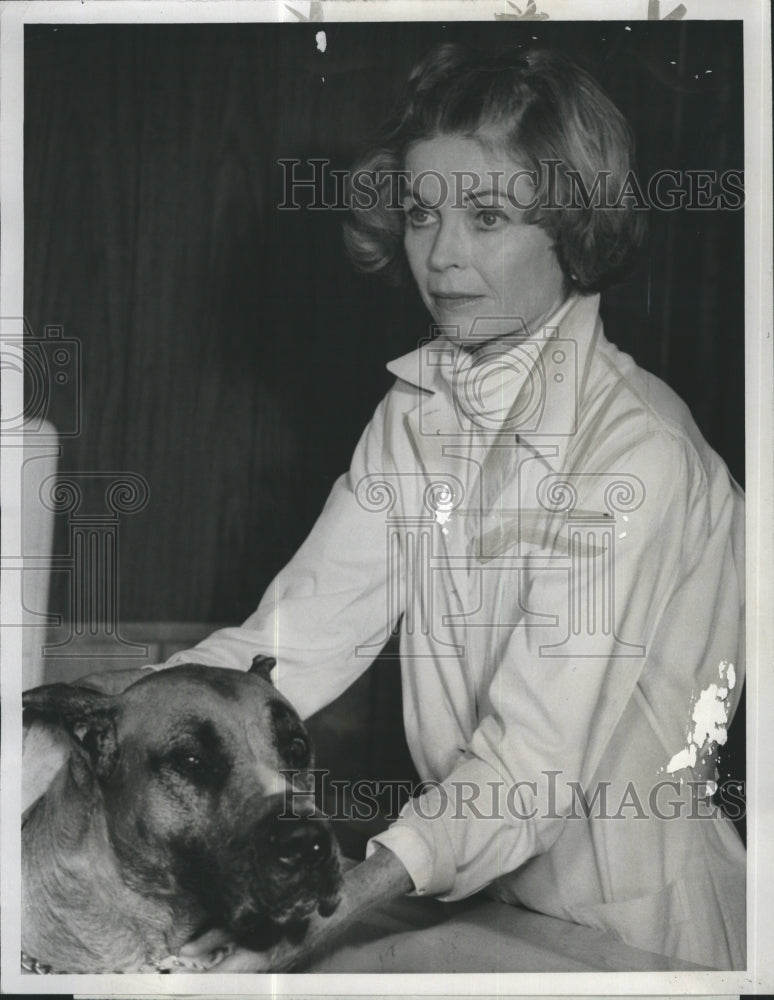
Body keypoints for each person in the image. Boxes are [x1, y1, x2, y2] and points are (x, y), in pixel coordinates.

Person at [34, 43, 748, 971]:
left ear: (572, 227)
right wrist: (61, 735)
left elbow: (527, 772)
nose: (441, 255)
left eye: (487, 216)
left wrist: (336, 900)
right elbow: (295, 642)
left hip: (640, 931)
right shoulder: (415, 412)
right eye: (420, 213)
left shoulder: (638, 449)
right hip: (477, 899)